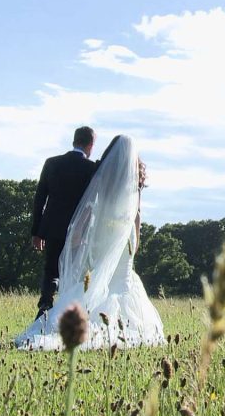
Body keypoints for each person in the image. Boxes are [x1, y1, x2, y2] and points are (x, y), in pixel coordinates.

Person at [16, 135, 166, 350]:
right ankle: (120, 325)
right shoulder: (136, 179)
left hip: (105, 232)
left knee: (101, 276)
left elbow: (90, 206)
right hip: (125, 234)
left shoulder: (102, 175)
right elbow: (137, 214)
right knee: (122, 279)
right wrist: (136, 238)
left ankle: (90, 318)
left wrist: (80, 229)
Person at [31, 126, 98, 320]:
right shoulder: (92, 168)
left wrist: (37, 232)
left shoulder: (52, 163)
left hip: (52, 228)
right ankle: (70, 310)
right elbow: (92, 204)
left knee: (51, 269)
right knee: (75, 272)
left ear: (74, 141)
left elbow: (40, 198)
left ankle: (45, 305)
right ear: (90, 144)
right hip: (80, 231)